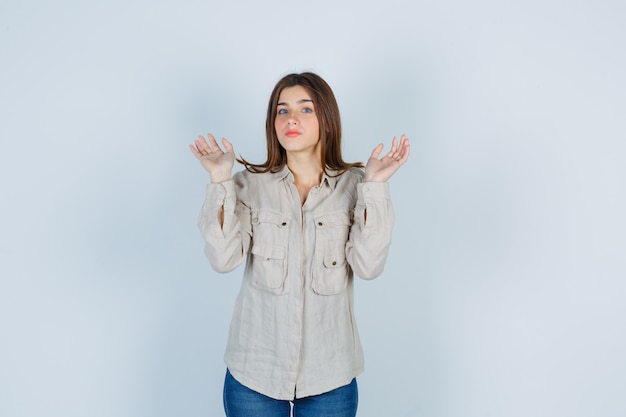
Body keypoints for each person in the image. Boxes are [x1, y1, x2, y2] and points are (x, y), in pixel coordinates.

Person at [189, 72, 409, 417]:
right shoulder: (248, 186)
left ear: (326, 119)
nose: (291, 118)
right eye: (282, 110)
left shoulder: (356, 187)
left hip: (330, 375)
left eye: (305, 109)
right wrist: (220, 179)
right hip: (254, 373)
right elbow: (223, 258)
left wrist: (376, 185)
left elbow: (368, 266)